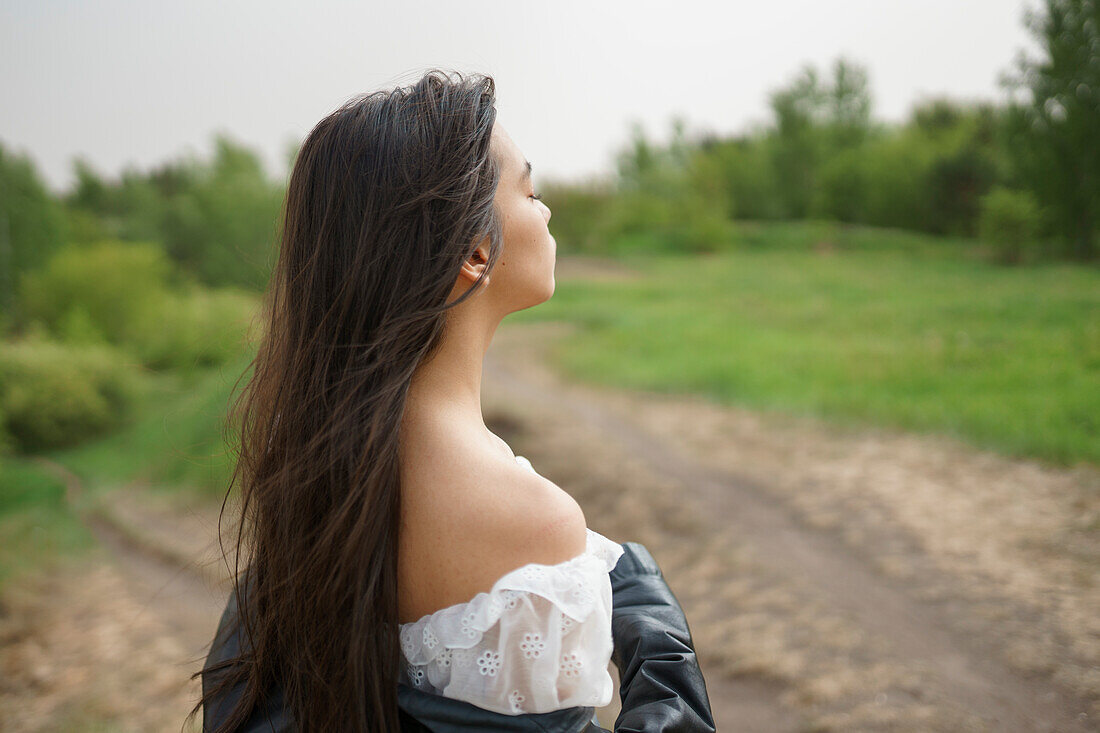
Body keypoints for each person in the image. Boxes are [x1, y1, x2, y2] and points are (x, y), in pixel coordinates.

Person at [195, 69, 715, 732]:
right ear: (474, 251)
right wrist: (661, 646)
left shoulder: (323, 472)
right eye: (529, 190)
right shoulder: (532, 522)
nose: (546, 209)